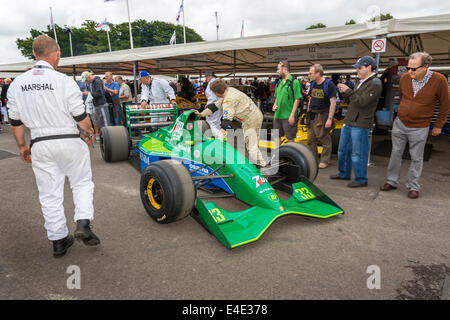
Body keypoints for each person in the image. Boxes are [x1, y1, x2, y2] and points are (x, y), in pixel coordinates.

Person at [7, 35, 100, 258]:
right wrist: (90, 133)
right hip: (69, 139)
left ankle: (59, 240)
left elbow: (15, 121)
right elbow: (80, 116)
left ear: (35, 55)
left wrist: (22, 146)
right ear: (56, 54)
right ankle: (83, 223)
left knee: (49, 193)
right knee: (81, 183)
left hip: (40, 143)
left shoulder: (17, 84)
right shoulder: (64, 81)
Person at [380, 52, 449, 199]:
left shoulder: (439, 80)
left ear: (426, 67)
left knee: (416, 157)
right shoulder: (405, 78)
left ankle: (413, 186)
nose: (409, 71)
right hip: (400, 123)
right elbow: (404, 97)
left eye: (413, 69)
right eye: (407, 68)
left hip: (420, 126)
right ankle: (391, 181)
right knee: (395, 153)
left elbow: (445, 104)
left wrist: (438, 125)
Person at [331, 56, 382, 187]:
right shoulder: (360, 82)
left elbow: (362, 102)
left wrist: (348, 91)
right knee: (343, 150)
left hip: (360, 124)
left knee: (358, 153)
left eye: (360, 68)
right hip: (350, 121)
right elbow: (352, 101)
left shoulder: (375, 83)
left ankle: (361, 179)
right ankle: (344, 173)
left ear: (369, 67)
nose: (357, 70)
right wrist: (345, 93)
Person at [195, 79, 266, 167]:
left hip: (252, 119)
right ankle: (260, 163)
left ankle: (260, 165)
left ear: (216, 93)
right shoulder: (228, 91)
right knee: (251, 143)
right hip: (252, 116)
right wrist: (201, 114)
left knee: (251, 143)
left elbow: (226, 122)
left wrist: (219, 140)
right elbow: (215, 106)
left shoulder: (229, 100)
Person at [306, 64, 337, 168]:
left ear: (318, 74)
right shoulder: (313, 84)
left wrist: (330, 118)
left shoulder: (329, 84)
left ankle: (324, 161)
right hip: (312, 114)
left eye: (311, 73)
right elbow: (310, 98)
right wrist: (307, 113)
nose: (309, 75)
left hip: (323, 115)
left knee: (324, 138)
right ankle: (313, 159)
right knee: (310, 139)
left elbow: (333, 102)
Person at [272, 61, 302, 147]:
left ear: (284, 69)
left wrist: (292, 115)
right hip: (277, 115)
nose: (277, 71)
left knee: (290, 139)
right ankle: (277, 157)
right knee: (277, 137)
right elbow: (277, 96)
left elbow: (297, 99)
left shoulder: (294, 82)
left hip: (288, 116)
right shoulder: (279, 83)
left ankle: (290, 158)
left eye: (278, 69)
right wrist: (274, 105)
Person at [82, 71, 111, 141]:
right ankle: (105, 138)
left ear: (89, 77)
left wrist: (89, 94)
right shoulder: (93, 82)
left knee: (105, 122)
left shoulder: (97, 81)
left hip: (101, 104)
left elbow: (100, 93)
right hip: (98, 105)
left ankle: (108, 138)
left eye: (86, 80)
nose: (86, 82)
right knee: (100, 122)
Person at [203, 71, 222, 137]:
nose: (206, 79)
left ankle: (218, 138)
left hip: (214, 105)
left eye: (206, 77)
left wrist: (208, 106)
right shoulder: (218, 81)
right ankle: (219, 138)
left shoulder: (212, 82)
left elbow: (212, 96)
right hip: (219, 104)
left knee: (211, 122)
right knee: (217, 122)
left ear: (209, 76)